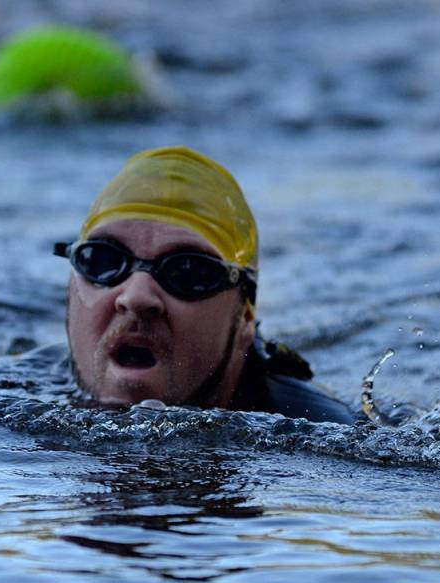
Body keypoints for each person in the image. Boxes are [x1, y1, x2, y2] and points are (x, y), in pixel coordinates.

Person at [54, 145, 355, 424]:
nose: (136, 296)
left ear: (245, 318)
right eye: (102, 262)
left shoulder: (316, 431)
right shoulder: (17, 386)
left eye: (188, 273)